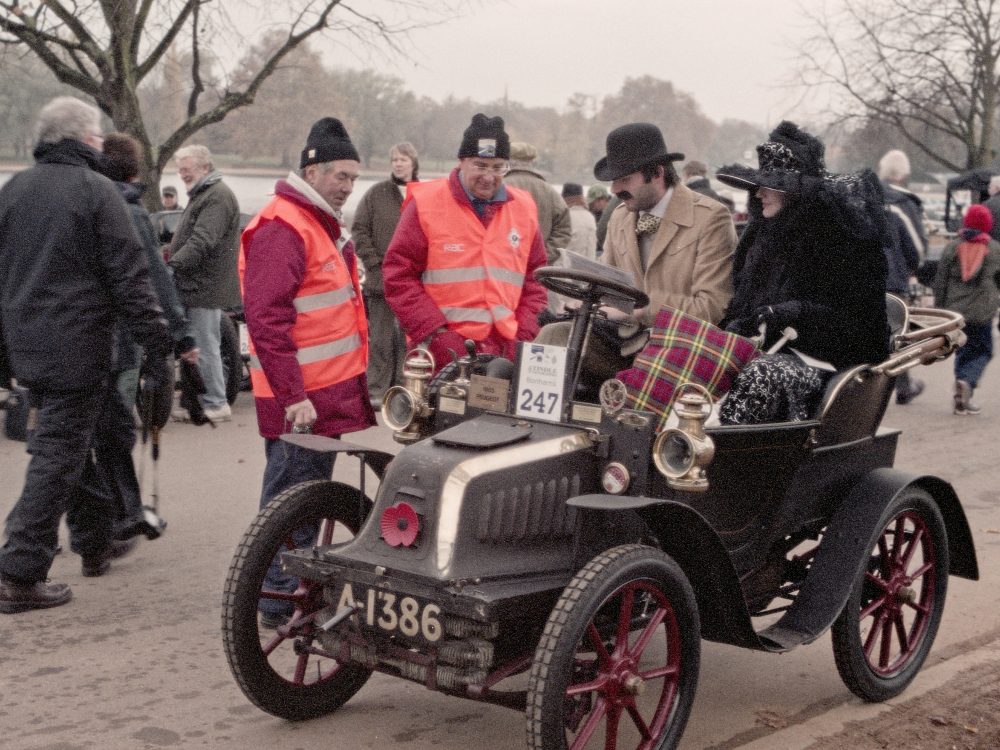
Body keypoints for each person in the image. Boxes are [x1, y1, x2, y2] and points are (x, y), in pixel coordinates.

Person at [0, 96, 172, 612]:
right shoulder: (97, 193)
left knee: (71, 444)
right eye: (97, 136)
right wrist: (158, 345)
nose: (101, 144)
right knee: (57, 453)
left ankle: (97, 538)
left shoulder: (13, 190)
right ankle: (17, 568)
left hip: (29, 345)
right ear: (83, 139)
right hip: (78, 346)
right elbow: (130, 277)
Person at [239, 117, 374, 629]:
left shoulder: (313, 223)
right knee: (292, 499)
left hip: (321, 394)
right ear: (312, 171)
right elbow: (267, 319)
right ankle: (277, 598)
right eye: (341, 176)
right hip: (304, 400)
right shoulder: (284, 226)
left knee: (302, 496)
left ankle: (281, 592)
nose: (348, 186)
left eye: (353, 178)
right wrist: (293, 394)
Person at [716, 121, 890, 425]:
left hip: (827, 368)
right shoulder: (762, 236)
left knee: (761, 374)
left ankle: (722, 463)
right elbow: (742, 309)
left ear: (794, 191)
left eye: (770, 185)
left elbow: (867, 336)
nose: (758, 194)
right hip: (764, 354)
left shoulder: (842, 240)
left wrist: (799, 314)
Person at [536, 122, 737, 384]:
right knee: (553, 337)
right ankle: (539, 420)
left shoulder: (710, 218)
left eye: (624, 179)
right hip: (624, 343)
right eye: (613, 181)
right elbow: (607, 282)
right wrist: (585, 301)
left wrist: (639, 311)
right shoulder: (620, 218)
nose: (614, 190)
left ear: (657, 173)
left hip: (679, 351)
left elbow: (711, 307)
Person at [382, 113, 548, 371]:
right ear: (462, 161)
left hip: (506, 353)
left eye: (498, 167)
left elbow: (536, 279)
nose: (489, 176)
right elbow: (398, 275)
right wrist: (435, 334)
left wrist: (524, 335)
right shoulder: (426, 204)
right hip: (440, 350)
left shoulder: (524, 208)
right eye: (480, 166)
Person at [97, 133, 198, 541]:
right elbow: (156, 281)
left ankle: (101, 518)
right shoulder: (130, 213)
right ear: (137, 170)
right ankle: (118, 516)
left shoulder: (86, 204)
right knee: (115, 429)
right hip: (118, 339)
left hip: (70, 339)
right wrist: (181, 337)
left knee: (78, 438)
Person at [168, 144, 241, 422]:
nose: (182, 174)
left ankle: (217, 402)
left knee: (205, 343)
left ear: (204, 168)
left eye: (187, 169)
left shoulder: (217, 196)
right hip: (194, 284)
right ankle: (194, 404)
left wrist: (171, 266)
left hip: (204, 286)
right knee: (193, 344)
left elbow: (202, 240)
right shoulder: (204, 193)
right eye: (180, 169)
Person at [351, 142, 418, 407]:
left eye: (402, 159)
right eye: (394, 160)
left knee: (407, 339)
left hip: (412, 281)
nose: (398, 164)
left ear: (413, 162)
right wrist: (374, 263)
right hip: (380, 280)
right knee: (379, 338)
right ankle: (376, 390)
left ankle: (403, 389)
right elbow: (359, 230)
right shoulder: (376, 194)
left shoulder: (423, 193)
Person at [933, 204, 1000, 416]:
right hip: (982, 312)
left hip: (955, 313)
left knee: (962, 350)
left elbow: (940, 281)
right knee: (983, 350)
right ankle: (967, 382)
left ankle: (960, 396)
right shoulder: (995, 250)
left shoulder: (952, 248)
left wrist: (939, 311)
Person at [502, 141, 572, 264]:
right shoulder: (550, 191)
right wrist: (544, 256)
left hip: (504, 265)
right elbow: (564, 230)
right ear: (532, 162)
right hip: (537, 270)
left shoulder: (498, 187)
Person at [561, 182, 597, 260]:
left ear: (565, 199)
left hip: (568, 268)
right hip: (590, 267)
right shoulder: (590, 216)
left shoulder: (565, 217)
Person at [983, 175, 1000, 244]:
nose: (988, 189)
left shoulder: (988, 205)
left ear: (997, 188)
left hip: (994, 245)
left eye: (990, 186)